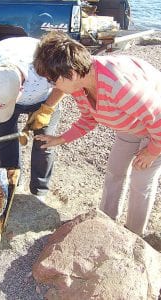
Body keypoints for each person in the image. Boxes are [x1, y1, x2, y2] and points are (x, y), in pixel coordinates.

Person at [33, 31, 161, 236]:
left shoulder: (121, 86)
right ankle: (106, 224)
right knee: (114, 171)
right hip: (131, 125)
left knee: (141, 180)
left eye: (52, 80)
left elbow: (158, 119)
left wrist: (153, 151)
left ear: (71, 73)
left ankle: (134, 236)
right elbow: (89, 118)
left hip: (157, 129)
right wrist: (61, 138)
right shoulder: (78, 84)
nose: (52, 86)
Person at [0, 36, 65, 202]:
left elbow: (65, 83)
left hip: (45, 98)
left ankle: (39, 192)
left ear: (21, 88)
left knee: (44, 143)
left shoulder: (45, 63)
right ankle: (11, 183)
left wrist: (47, 109)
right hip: (4, 97)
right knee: (3, 140)